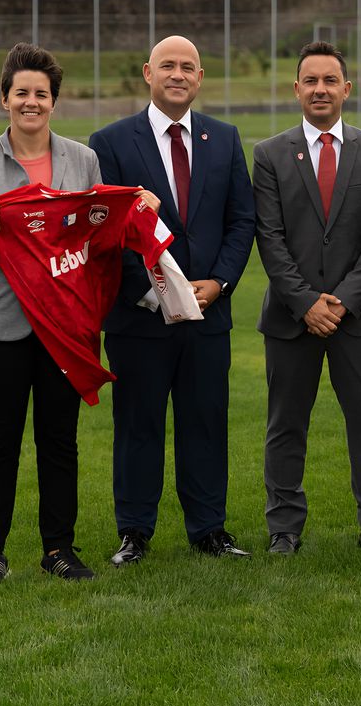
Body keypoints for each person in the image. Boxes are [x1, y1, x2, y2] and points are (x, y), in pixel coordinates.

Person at [0, 42, 101, 585]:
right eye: (21, 93)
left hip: (63, 328)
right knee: (0, 439)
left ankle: (58, 549)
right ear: (5, 98)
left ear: (54, 102)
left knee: (59, 439)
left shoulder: (81, 159)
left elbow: (94, 230)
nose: (31, 102)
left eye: (42, 94)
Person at [89, 35, 255, 565]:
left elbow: (241, 220)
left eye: (188, 67)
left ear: (200, 77)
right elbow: (105, 233)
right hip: (140, 318)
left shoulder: (225, 139)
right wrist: (155, 293)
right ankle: (134, 532)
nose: (177, 74)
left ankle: (209, 529)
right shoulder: (111, 142)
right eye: (168, 66)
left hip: (209, 312)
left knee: (205, 422)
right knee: (138, 424)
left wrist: (220, 282)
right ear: (148, 73)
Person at [252, 41, 361, 556]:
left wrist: (340, 301)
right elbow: (269, 238)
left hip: (356, 320)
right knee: (285, 426)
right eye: (310, 80)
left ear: (346, 89)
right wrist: (305, 302)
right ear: (296, 89)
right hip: (291, 319)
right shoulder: (269, 154)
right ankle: (284, 529)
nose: (320, 89)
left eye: (329, 80)